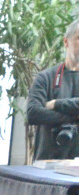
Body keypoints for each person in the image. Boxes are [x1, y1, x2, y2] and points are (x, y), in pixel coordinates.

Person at [27, 19, 79, 161]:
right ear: (66, 42)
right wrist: (74, 117)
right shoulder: (46, 77)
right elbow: (33, 113)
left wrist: (56, 104)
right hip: (48, 163)